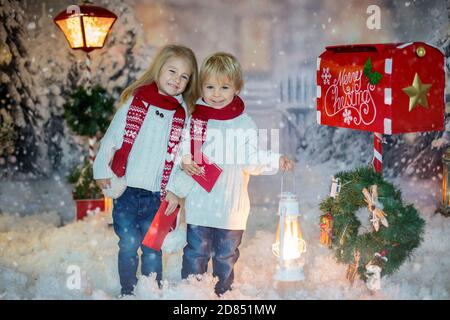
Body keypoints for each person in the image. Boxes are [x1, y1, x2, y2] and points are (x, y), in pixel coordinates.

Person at [165, 52, 294, 296]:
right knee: (195, 252)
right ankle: (191, 293)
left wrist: (275, 160)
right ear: (201, 86)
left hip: (231, 207)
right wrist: (185, 158)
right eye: (210, 86)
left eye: (224, 87)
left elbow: (253, 160)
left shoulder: (243, 124)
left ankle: (223, 293)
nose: (216, 94)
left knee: (225, 256)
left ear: (236, 88)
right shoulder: (196, 120)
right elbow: (181, 146)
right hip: (200, 204)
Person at [93, 44, 198, 297]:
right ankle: (128, 290)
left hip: (158, 196)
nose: (177, 79)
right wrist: (101, 170)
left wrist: (175, 191)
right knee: (128, 245)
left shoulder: (182, 115)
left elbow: (184, 159)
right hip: (127, 190)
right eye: (172, 71)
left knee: (153, 248)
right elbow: (112, 138)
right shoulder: (136, 101)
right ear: (159, 69)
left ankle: (152, 290)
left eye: (184, 76)